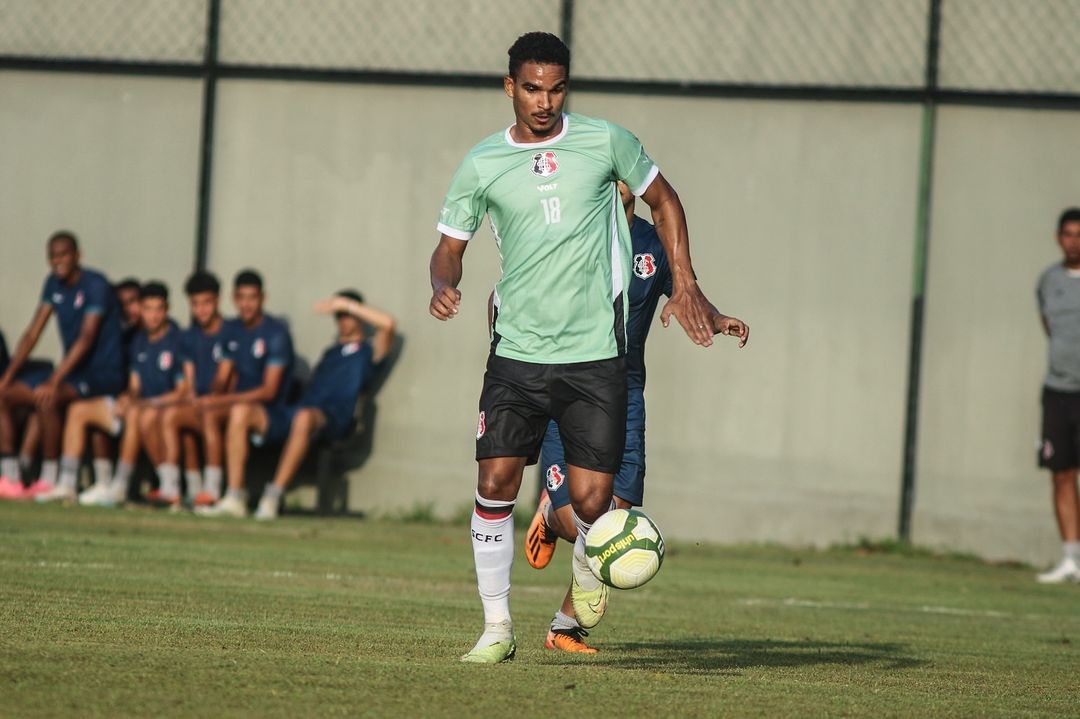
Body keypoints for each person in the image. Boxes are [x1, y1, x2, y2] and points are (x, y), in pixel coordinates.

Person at [429, 32, 725, 663]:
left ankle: (586, 577)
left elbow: (665, 200)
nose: (545, 100)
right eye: (532, 88)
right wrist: (443, 283)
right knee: (495, 482)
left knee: (595, 503)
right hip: (515, 354)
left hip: (596, 357)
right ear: (510, 87)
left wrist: (688, 284)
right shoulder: (483, 161)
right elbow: (450, 246)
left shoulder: (605, 141)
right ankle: (496, 629)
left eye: (556, 87)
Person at [518, 181, 748, 652]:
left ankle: (565, 626)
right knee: (578, 519)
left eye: (627, 175)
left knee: (614, 523)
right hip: (570, 392)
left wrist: (717, 319)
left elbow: (687, 294)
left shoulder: (656, 245)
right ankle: (549, 512)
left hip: (627, 396)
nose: (619, 182)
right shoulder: (571, 235)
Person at [207, 290, 396, 520]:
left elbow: (388, 324)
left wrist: (346, 304)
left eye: (347, 314)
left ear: (359, 316)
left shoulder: (368, 351)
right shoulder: (331, 352)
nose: (344, 320)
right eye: (339, 315)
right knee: (241, 411)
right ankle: (235, 497)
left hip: (332, 420)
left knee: (304, 417)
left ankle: (272, 497)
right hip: (297, 412)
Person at [0, 231, 125, 499]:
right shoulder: (52, 285)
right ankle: (10, 477)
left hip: (103, 373)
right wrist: (7, 377)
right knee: (4, 395)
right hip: (74, 372)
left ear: (77, 256)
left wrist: (55, 380)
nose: (57, 261)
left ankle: (49, 476)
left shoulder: (96, 285)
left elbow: (86, 338)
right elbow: (33, 333)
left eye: (63, 254)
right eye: (52, 256)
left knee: (48, 396)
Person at [46, 282, 184, 505]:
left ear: (167, 309)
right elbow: (135, 385)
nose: (153, 316)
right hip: (139, 407)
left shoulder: (177, 339)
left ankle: (121, 484)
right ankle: (67, 483)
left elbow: (183, 391)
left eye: (158, 309)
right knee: (79, 410)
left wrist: (145, 403)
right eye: (147, 309)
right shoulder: (138, 340)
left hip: (160, 411)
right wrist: (127, 397)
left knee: (138, 414)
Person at [193, 270, 294, 517]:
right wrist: (213, 392)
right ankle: (210, 491)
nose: (247, 304)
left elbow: (269, 391)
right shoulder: (232, 330)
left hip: (273, 415)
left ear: (263, 298)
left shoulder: (276, 334)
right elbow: (223, 375)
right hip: (239, 405)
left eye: (252, 298)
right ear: (233, 299)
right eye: (241, 298)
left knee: (238, 412)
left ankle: (236, 496)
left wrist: (222, 399)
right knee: (199, 413)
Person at [156, 270, 232, 507]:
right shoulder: (188, 337)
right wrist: (190, 398)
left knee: (207, 412)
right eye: (196, 304)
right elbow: (189, 382)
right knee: (170, 415)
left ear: (218, 301)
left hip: (225, 404)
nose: (201, 310)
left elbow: (224, 380)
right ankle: (172, 488)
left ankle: (212, 490)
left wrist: (207, 399)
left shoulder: (231, 331)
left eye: (206, 303)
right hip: (201, 404)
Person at [1036, 207, 1080, 583]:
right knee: (1061, 474)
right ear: (1058, 237)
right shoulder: (1048, 280)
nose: (1074, 241)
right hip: (1058, 391)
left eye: (1079, 234)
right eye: (1068, 233)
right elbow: (1048, 325)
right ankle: (1071, 559)